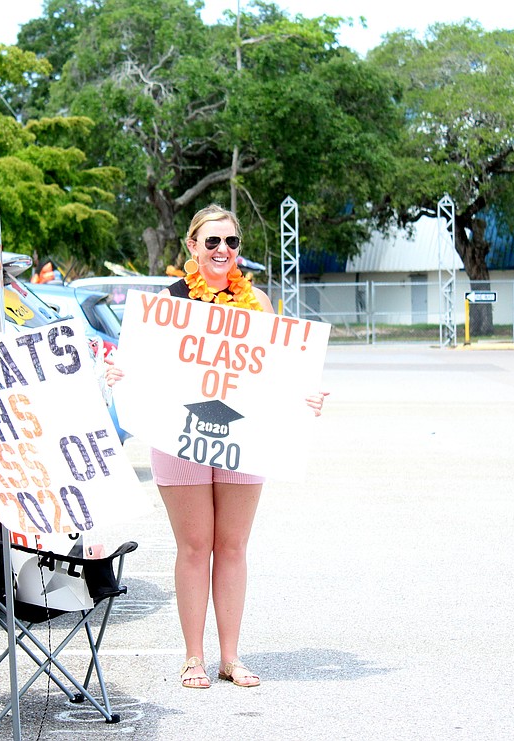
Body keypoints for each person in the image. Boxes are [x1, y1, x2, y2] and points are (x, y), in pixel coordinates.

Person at [107, 204, 327, 690]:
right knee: (194, 545)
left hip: (244, 438)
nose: (223, 250)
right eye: (212, 242)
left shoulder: (259, 303)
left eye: (231, 242)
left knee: (232, 546)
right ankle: (193, 658)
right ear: (192, 247)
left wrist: (303, 396)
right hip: (180, 437)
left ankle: (231, 657)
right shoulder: (169, 302)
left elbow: (278, 373)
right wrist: (122, 374)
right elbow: (141, 366)